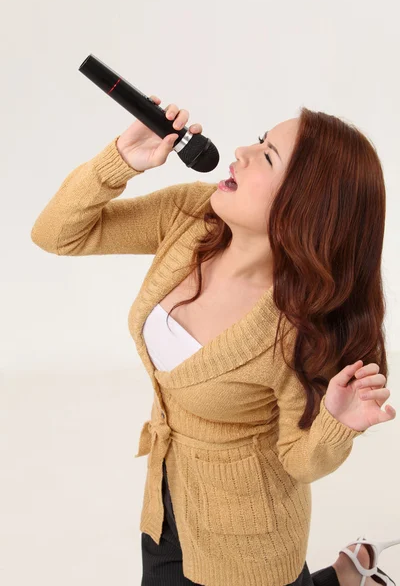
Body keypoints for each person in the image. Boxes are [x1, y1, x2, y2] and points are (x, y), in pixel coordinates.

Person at [31, 97, 398, 586]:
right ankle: (349, 573)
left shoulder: (299, 330)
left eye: (267, 157)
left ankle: (346, 575)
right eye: (260, 138)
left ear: (305, 206)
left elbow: (298, 459)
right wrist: (120, 158)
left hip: (252, 541)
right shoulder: (191, 217)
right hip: (166, 504)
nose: (242, 150)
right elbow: (57, 235)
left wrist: (336, 424)